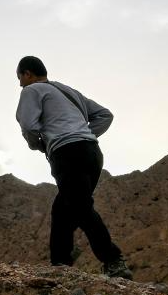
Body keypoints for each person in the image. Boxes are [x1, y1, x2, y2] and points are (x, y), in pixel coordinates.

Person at [15, 55, 132, 280]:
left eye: (19, 78)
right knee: (62, 209)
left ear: (27, 74)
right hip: (92, 153)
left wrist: (39, 145)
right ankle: (60, 265)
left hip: (67, 153)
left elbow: (28, 125)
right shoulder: (69, 91)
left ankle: (113, 260)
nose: (20, 84)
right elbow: (105, 115)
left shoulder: (31, 90)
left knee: (80, 207)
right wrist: (84, 134)